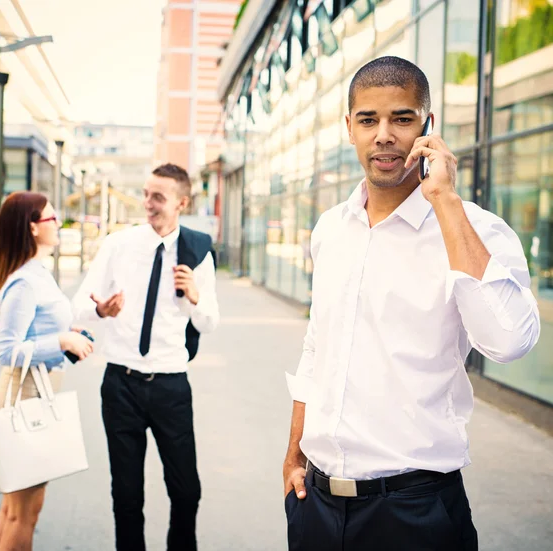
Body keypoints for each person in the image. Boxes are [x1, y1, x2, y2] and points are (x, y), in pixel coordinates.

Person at [282, 56, 540, 551]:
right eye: (368, 120)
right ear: (349, 130)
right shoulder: (331, 228)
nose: (384, 135)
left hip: (414, 513)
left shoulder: (476, 230)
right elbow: (318, 347)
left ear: (428, 126)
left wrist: (445, 202)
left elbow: (509, 342)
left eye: (402, 118)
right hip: (314, 505)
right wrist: (293, 454)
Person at [72, 163, 219, 551]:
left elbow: (209, 322)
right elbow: (79, 305)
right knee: (126, 496)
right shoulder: (118, 246)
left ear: (181, 202)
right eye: (146, 194)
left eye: (158, 197)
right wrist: (100, 311)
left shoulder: (197, 252)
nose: (148, 203)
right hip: (121, 384)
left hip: (171, 386)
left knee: (187, 491)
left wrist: (195, 296)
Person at [0, 191, 95, 551]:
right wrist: (61, 341)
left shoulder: (37, 274)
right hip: (22, 398)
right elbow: (6, 350)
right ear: (32, 227)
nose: (58, 223)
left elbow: (38, 334)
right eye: (51, 218)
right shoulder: (24, 282)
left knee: (17, 511)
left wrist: (67, 336)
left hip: (34, 395)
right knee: (21, 515)